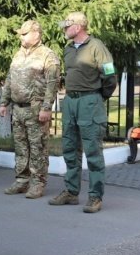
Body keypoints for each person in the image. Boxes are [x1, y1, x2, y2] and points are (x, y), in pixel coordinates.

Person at [48, 12, 117, 213]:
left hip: (89, 101)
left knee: (93, 152)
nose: (64, 29)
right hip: (70, 101)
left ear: (78, 27)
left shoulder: (97, 47)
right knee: (70, 148)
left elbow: (110, 76)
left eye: (67, 26)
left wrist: (97, 97)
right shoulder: (68, 48)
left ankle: (95, 197)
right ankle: (71, 192)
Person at [0, 20, 60, 199]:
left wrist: (47, 107)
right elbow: (10, 79)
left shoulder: (47, 55)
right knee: (21, 147)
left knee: (37, 147)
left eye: (24, 34)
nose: (21, 37)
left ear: (36, 34)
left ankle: (38, 183)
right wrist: (4, 103)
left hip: (36, 109)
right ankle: (21, 181)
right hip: (18, 109)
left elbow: (52, 84)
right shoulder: (18, 54)